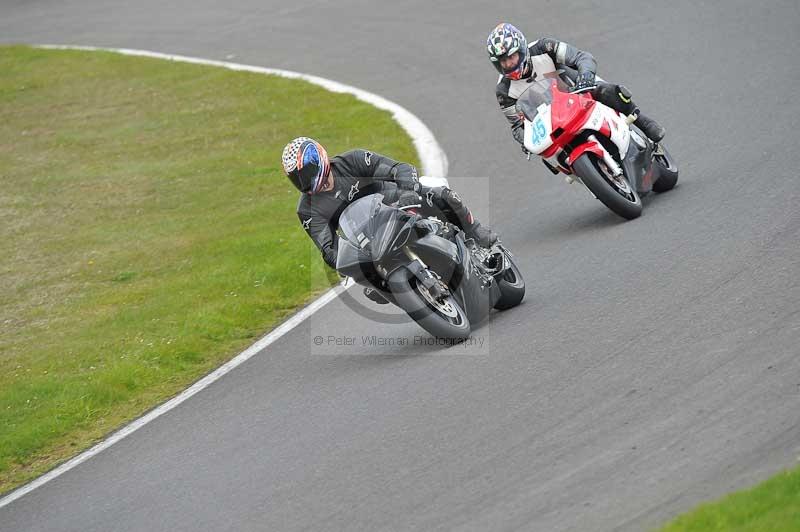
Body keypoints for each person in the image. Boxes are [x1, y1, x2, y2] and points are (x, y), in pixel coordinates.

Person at [281, 137, 498, 302]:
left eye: (306, 172)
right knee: (363, 276)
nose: (304, 181)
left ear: (318, 158)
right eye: (297, 178)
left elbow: (399, 168)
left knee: (441, 194)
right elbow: (328, 248)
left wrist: (407, 192)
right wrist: (345, 260)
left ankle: (474, 230)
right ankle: (393, 291)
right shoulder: (307, 210)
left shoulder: (352, 161)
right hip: (367, 238)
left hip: (396, 202)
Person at [486, 22, 666, 153]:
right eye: (503, 61)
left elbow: (582, 57)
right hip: (550, 120)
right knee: (547, 153)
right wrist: (525, 142)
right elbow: (517, 125)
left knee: (605, 91)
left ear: (522, 49)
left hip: (577, 90)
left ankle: (643, 121)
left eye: (512, 57)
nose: (509, 63)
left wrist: (586, 76)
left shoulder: (543, 47)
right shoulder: (503, 90)